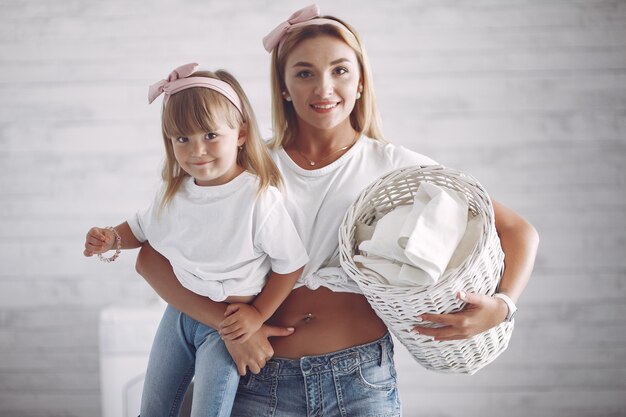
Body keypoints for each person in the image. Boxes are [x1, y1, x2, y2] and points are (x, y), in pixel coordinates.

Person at [134, 5, 540, 416]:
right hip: (261, 379)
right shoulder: (248, 169)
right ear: (284, 87)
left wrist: (503, 306)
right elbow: (152, 256)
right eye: (305, 73)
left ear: (361, 82)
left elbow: (517, 229)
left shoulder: (397, 168)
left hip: (361, 381)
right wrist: (231, 326)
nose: (324, 88)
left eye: (340, 71)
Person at [83, 63, 308, 417]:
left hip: (227, 325)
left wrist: (257, 315)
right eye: (182, 139)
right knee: (153, 409)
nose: (196, 150)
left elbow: (291, 264)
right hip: (179, 316)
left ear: (241, 133)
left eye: (209, 135)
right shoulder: (173, 193)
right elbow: (140, 229)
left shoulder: (258, 198)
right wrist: (111, 238)